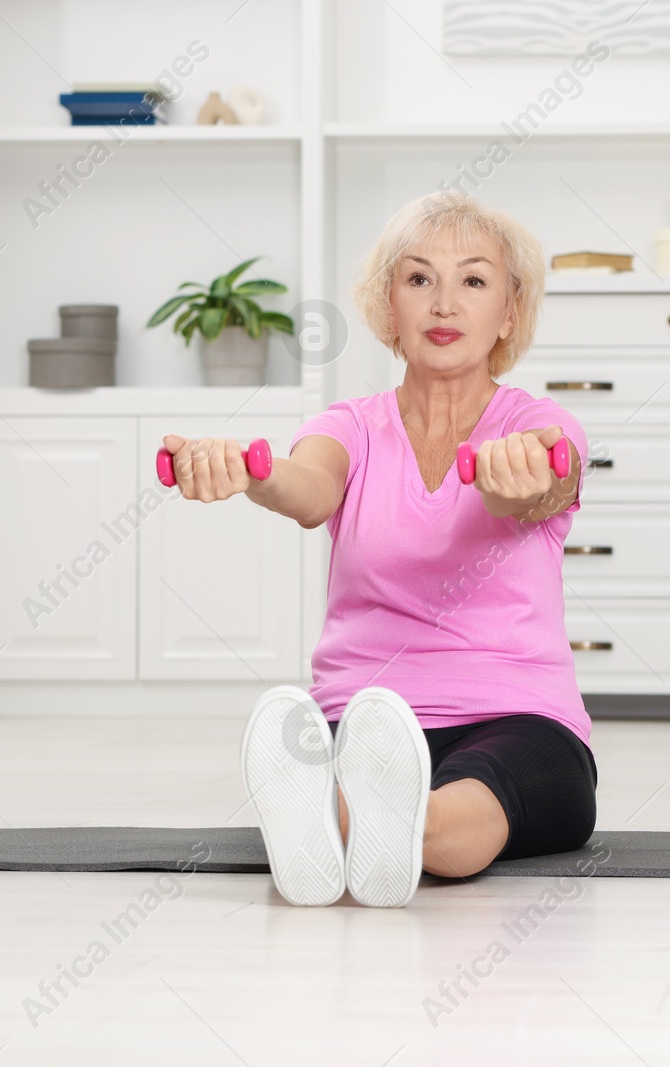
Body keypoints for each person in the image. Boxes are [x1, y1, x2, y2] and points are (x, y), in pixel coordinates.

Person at [162, 192, 597, 907]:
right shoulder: (351, 426)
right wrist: (252, 470)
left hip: (516, 715)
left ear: (510, 312)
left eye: (474, 281)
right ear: (388, 305)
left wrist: (519, 481)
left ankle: (340, 825)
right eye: (419, 279)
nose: (444, 304)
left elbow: (547, 482)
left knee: (482, 800)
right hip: (358, 715)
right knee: (362, 766)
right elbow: (311, 488)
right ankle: (355, 820)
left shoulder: (537, 424)